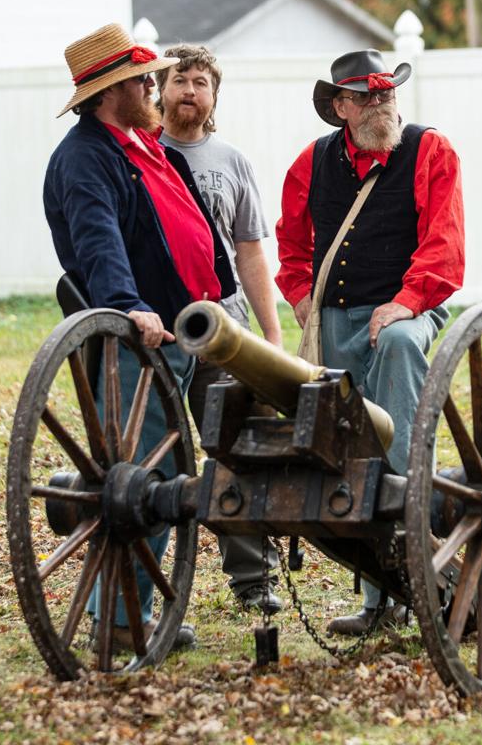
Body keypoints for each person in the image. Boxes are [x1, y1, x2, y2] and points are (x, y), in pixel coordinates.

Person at [43, 23, 237, 650]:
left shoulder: (134, 143)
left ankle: (129, 613)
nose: (152, 83)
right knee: (137, 485)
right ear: (108, 92)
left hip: (174, 330)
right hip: (136, 337)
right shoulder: (85, 158)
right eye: (140, 79)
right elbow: (98, 241)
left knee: (149, 476)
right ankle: (122, 622)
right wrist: (129, 307)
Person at [276, 49, 465, 636]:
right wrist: (304, 299)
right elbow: (291, 246)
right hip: (335, 315)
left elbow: (444, 247)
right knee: (347, 442)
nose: (382, 102)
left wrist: (406, 302)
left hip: (409, 308)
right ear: (340, 107)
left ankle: (409, 507)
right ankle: (374, 597)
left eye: (387, 92)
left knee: (404, 346)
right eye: (367, 95)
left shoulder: (432, 150)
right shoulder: (311, 163)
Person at [156, 43, 284, 615]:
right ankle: (148, 590)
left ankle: (253, 576)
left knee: (237, 442)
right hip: (157, 325)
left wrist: (271, 335)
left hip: (224, 325)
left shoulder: (231, 161)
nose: (189, 90)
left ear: (214, 97)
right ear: (158, 90)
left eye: (201, 82)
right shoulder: (140, 154)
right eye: (179, 79)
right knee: (155, 451)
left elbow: (252, 253)